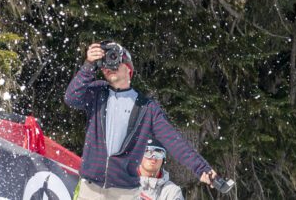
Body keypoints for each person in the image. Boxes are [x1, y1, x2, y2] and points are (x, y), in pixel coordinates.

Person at [64, 41, 218, 199]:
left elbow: (174, 141)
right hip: (90, 190)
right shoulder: (97, 93)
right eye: (104, 63)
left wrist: (201, 168)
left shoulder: (146, 108)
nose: (109, 66)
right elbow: (71, 98)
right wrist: (89, 65)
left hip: (125, 193)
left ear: (128, 68)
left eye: (114, 59)